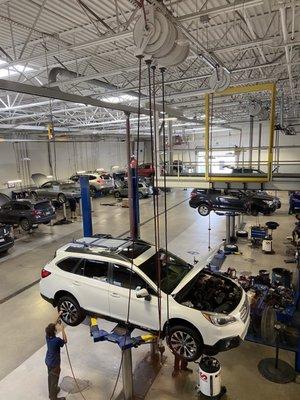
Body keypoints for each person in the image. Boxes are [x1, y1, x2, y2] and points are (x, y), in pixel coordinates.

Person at [45, 312, 67, 400]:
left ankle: (52, 391)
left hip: (48, 361)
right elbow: (65, 340)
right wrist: (62, 329)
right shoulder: (57, 340)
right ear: (54, 331)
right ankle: (53, 397)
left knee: (50, 377)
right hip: (54, 364)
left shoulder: (47, 336)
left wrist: (59, 314)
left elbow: (52, 326)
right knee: (54, 379)